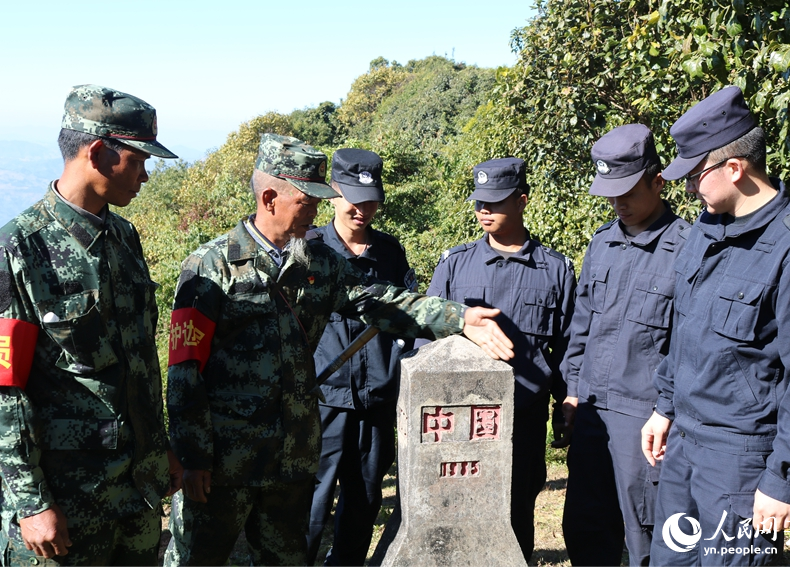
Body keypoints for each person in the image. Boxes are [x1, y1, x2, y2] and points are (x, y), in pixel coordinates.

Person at [164, 134, 514, 566]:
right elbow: (183, 371)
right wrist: (193, 456)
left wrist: (460, 319)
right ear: (270, 198)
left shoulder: (319, 264)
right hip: (223, 463)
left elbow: (380, 300)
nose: (315, 211)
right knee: (197, 559)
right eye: (306, 201)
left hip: (290, 460)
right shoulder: (210, 266)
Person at [641, 86, 790, 566]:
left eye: (696, 175)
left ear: (735, 168)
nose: (690, 188)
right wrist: (665, 406)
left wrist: (781, 479)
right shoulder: (709, 226)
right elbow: (684, 328)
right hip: (685, 444)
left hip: (741, 461)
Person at [0, 84, 183, 565]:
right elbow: (5, 389)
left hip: (136, 495)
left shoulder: (123, 236)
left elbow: (140, 359)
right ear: (99, 153)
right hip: (66, 503)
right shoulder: (19, 250)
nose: (145, 177)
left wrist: (156, 447)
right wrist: (31, 502)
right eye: (138, 161)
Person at [422, 157, 575, 562]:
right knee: (457, 507)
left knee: (517, 510)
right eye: (479, 202)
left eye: (495, 202)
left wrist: (567, 401)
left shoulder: (555, 270)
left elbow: (568, 345)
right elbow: (428, 335)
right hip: (461, 420)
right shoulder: (456, 264)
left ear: (523, 200)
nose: (483, 210)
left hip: (522, 417)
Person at [557, 124, 690, 566]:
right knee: (584, 525)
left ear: (658, 181)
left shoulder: (688, 249)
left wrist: (666, 410)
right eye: (611, 194)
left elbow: (689, 345)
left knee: (644, 534)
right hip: (593, 409)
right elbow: (582, 324)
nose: (619, 204)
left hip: (645, 419)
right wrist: (573, 391)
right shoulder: (603, 242)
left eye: (629, 191)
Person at [306, 149, 415, 565]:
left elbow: (406, 317)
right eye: (351, 197)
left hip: (376, 399)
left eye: (369, 199)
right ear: (333, 193)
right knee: (313, 500)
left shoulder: (389, 252)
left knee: (365, 496)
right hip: (324, 398)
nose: (360, 209)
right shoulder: (310, 249)